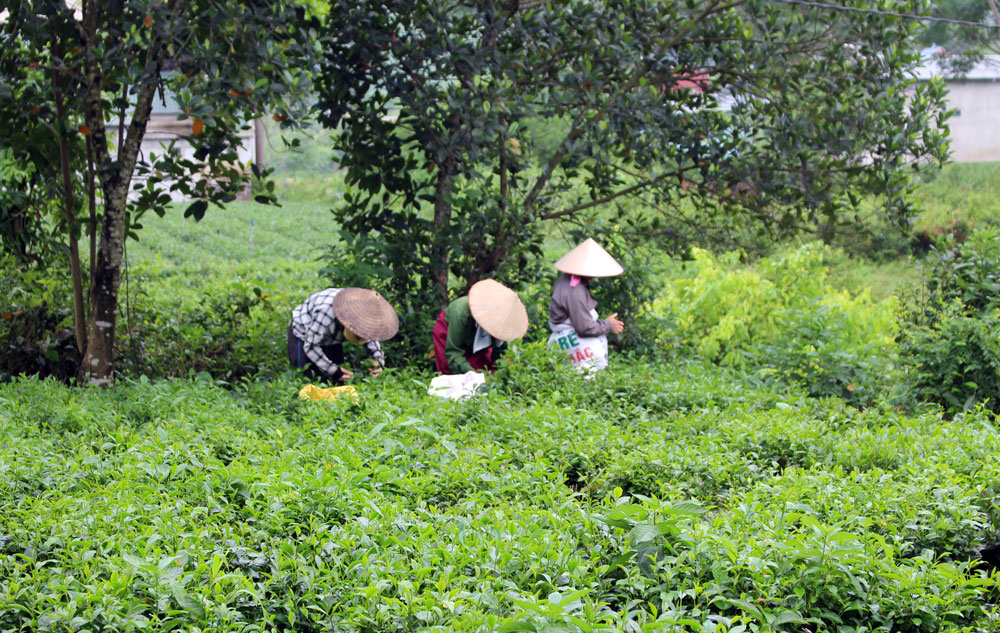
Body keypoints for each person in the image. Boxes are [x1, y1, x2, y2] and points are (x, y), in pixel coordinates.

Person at [288, 287, 399, 383]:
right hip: (304, 332)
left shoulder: (363, 314)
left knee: (337, 380)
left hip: (332, 336)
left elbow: (370, 335)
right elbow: (311, 346)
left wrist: (378, 361)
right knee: (305, 377)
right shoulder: (326, 314)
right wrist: (333, 370)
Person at [548, 238, 625, 370]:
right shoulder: (574, 290)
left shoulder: (567, 280)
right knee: (584, 374)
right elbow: (584, 327)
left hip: (564, 335)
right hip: (573, 338)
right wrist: (608, 324)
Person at [433, 279, 529, 374]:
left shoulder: (501, 323)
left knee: (484, 365)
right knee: (451, 372)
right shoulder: (460, 313)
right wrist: (472, 374)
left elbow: (500, 350)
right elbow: (453, 353)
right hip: (449, 332)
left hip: (475, 335)